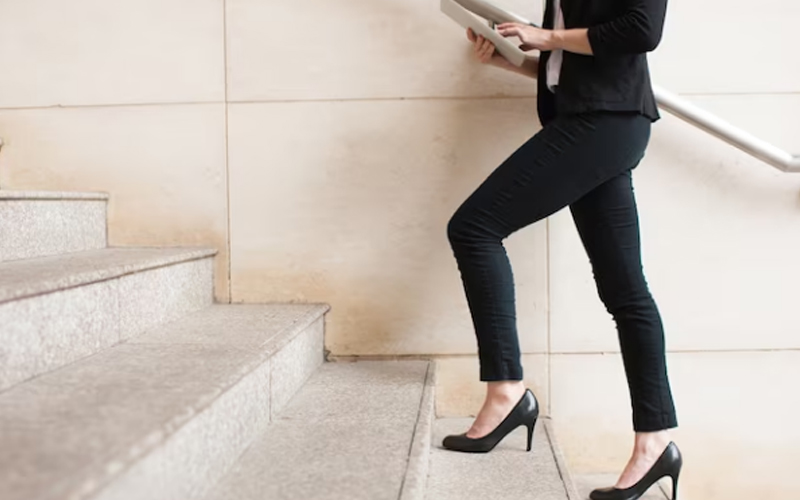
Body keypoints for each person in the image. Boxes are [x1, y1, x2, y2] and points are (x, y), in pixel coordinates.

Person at [441, 1, 682, 499]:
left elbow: (641, 30)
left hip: (604, 121)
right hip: (587, 116)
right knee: (625, 291)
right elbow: (566, 65)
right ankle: (655, 441)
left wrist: (544, 36)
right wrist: (508, 57)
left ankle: (507, 392)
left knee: (474, 228)